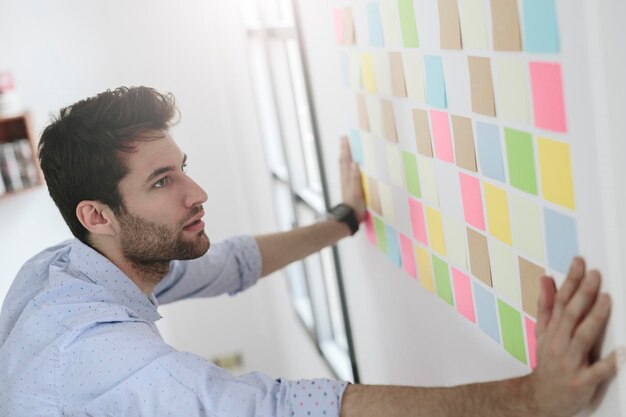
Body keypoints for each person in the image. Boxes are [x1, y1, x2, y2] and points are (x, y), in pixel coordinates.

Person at [0, 86, 618, 417]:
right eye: (162, 182)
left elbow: (229, 263)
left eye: (181, 168)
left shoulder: (74, 266)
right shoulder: (104, 357)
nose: (198, 193)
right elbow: (274, 409)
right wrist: (534, 400)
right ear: (96, 214)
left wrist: (345, 220)